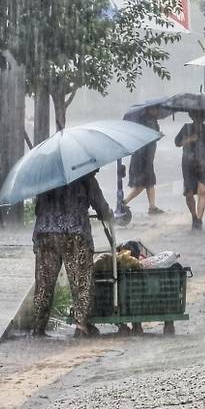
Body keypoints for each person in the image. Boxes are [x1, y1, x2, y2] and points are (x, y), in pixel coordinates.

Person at [32, 171, 111, 337]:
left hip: (45, 234)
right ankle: (81, 325)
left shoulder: (45, 178)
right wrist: (108, 214)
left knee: (44, 283)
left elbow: (38, 208)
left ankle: (38, 327)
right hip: (74, 234)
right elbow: (102, 208)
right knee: (81, 281)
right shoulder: (86, 178)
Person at [175, 111, 205, 230]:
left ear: (204, 117)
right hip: (188, 165)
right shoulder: (186, 128)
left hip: (204, 165)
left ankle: (199, 219)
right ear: (192, 116)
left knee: (202, 191)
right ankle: (194, 216)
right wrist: (189, 139)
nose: (198, 119)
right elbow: (177, 142)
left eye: (201, 116)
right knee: (188, 194)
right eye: (195, 116)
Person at [123, 107, 164, 215]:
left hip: (147, 157)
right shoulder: (146, 121)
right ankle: (123, 203)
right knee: (141, 184)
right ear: (150, 110)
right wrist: (157, 136)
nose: (158, 111)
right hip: (142, 158)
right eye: (156, 109)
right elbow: (148, 137)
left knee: (150, 182)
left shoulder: (152, 120)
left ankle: (152, 207)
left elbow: (153, 136)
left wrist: (158, 135)